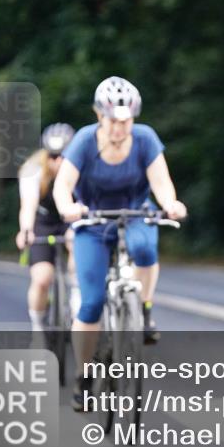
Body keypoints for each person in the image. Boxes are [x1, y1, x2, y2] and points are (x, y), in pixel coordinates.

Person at [52, 76, 187, 410]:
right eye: (113, 121)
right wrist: (68, 208)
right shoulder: (84, 141)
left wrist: (170, 203)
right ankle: (84, 378)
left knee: (145, 250)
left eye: (125, 121)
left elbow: (161, 182)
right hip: (93, 220)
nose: (119, 128)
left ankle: (143, 309)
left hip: (135, 213)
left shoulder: (145, 139)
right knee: (91, 303)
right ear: (100, 116)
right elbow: (62, 186)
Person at [16, 123, 76, 333]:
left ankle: (77, 303)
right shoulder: (33, 170)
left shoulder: (80, 166)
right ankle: (38, 327)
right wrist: (26, 230)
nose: (57, 162)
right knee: (41, 279)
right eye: (52, 156)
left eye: (63, 156)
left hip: (71, 218)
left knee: (77, 248)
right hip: (44, 222)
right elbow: (28, 205)